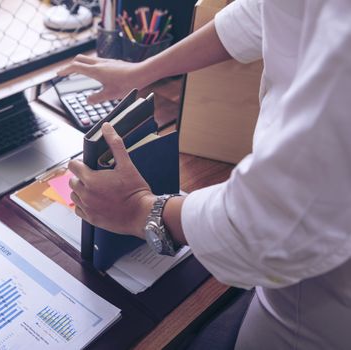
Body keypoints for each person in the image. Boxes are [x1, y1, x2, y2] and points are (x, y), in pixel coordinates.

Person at [58, 0, 351, 349]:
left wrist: (138, 209)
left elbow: (266, 225)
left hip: (315, 313)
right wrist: (142, 70)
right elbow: (266, 12)